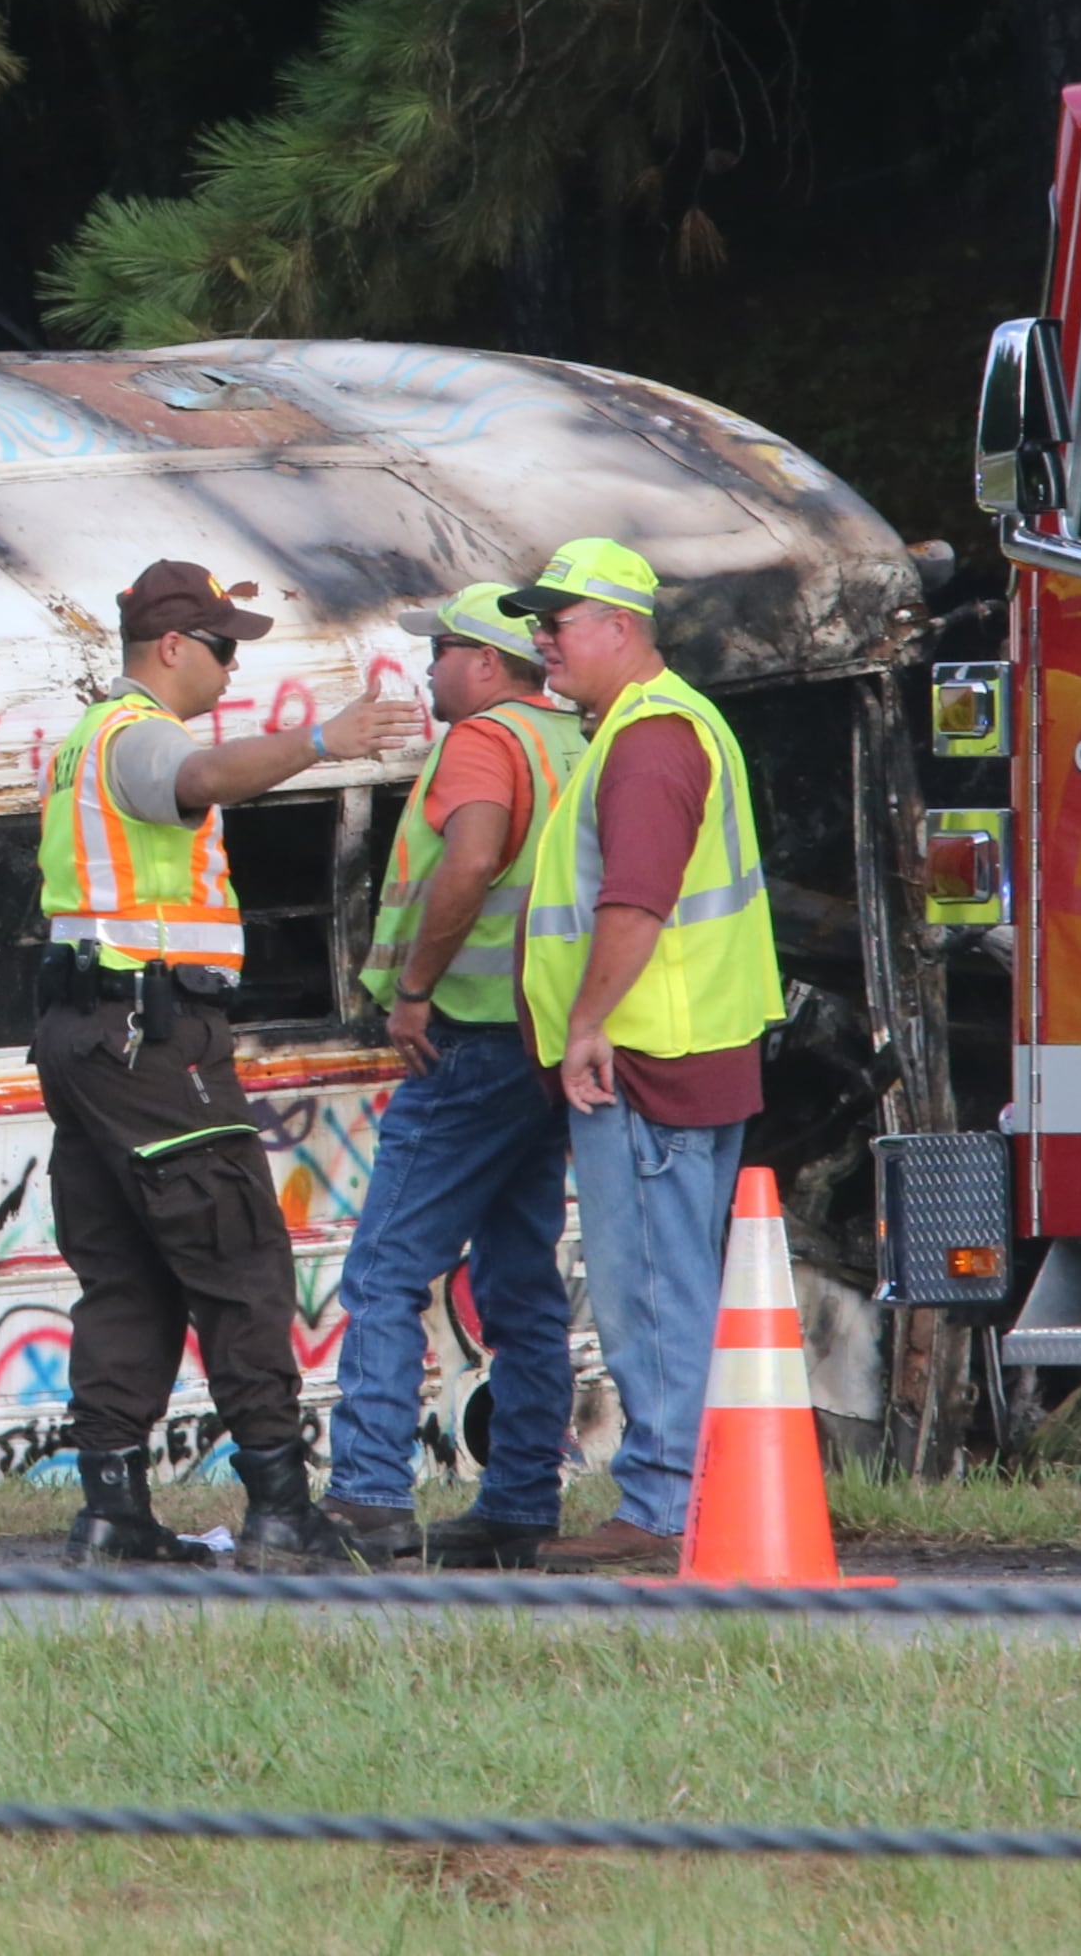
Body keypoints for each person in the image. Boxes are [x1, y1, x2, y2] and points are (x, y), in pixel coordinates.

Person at [34, 559, 426, 1565]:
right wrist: (318, 741)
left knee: (127, 1275)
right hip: (153, 1038)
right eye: (221, 646)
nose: (230, 665)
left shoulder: (86, 740)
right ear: (171, 648)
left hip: (86, 1036)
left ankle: (111, 1512)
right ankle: (281, 1509)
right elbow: (197, 780)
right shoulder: (141, 738)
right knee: (241, 1257)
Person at [501, 538, 782, 1570]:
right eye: (537, 621)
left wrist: (584, 1026)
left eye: (559, 622)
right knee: (680, 1284)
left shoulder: (650, 743)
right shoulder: (658, 726)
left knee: (651, 1291)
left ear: (620, 628)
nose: (542, 641)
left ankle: (666, 1502)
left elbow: (634, 902)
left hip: (644, 1064)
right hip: (685, 1051)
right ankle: (699, 1490)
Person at [327, 582, 590, 1569]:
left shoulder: (484, 741)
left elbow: (471, 861)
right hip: (546, 1046)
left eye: (441, 650)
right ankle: (521, 1501)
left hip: (469, 1038)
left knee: (388, 1269)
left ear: (484, 661)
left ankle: (367, 1495)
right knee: (522, 1281)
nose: (430, 666)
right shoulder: (571, 740)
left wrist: (415, 988)